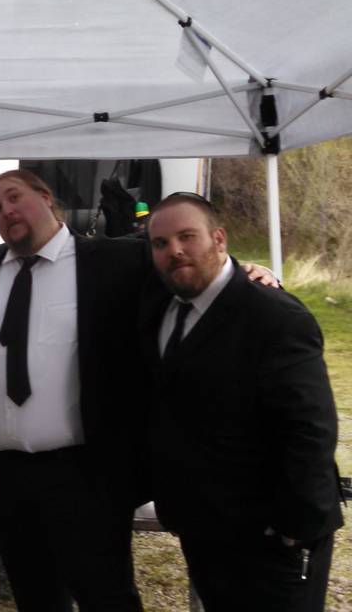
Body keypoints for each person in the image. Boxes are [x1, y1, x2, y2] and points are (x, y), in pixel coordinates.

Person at [0, 169, 149, 611]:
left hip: (84, 474)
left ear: (45, 197)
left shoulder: (112, 262)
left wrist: (247, 272)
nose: (5, 211)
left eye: (13, 197)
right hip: (6, 478)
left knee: (107, 596)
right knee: (35, 598)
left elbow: (182, 271)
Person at [142, 193, 343, 611]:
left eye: (187, 236)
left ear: (219, 239)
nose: (174, 250)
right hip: (204, 527)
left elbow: (310, 428)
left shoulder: (273, 316)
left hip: (270, 539)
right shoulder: (163, 306)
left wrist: (293, 528)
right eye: (160, 243)